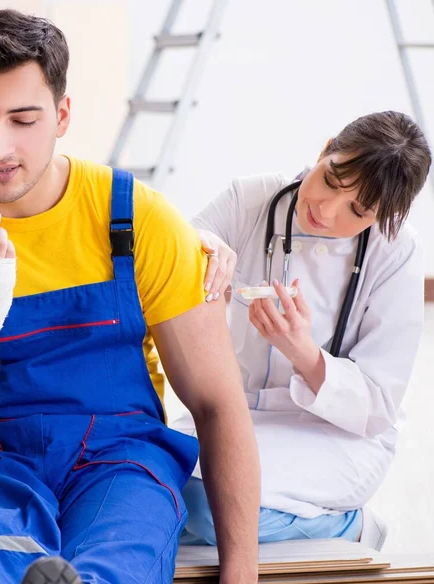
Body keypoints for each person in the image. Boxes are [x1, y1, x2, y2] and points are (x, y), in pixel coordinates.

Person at [0, 9, 260, 584]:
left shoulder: (137, 221)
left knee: (126, 557)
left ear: (62, 115)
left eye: (23, 118)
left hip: (120, 461)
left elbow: (218, 405)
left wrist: (242, 576)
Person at [172, 110, 431, 549]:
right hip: (234, 414)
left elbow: (377, 406)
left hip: (335, 436)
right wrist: (200, 244)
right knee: (146, 491)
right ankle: (305, 524)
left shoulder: (396, 256)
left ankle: (349, 525)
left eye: (358, 209)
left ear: (382, 215)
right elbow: (176, 242)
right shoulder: (250, 199)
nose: (325, 211)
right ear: (326, 149)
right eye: (331, 180)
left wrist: (303, 353)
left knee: (209, 511)